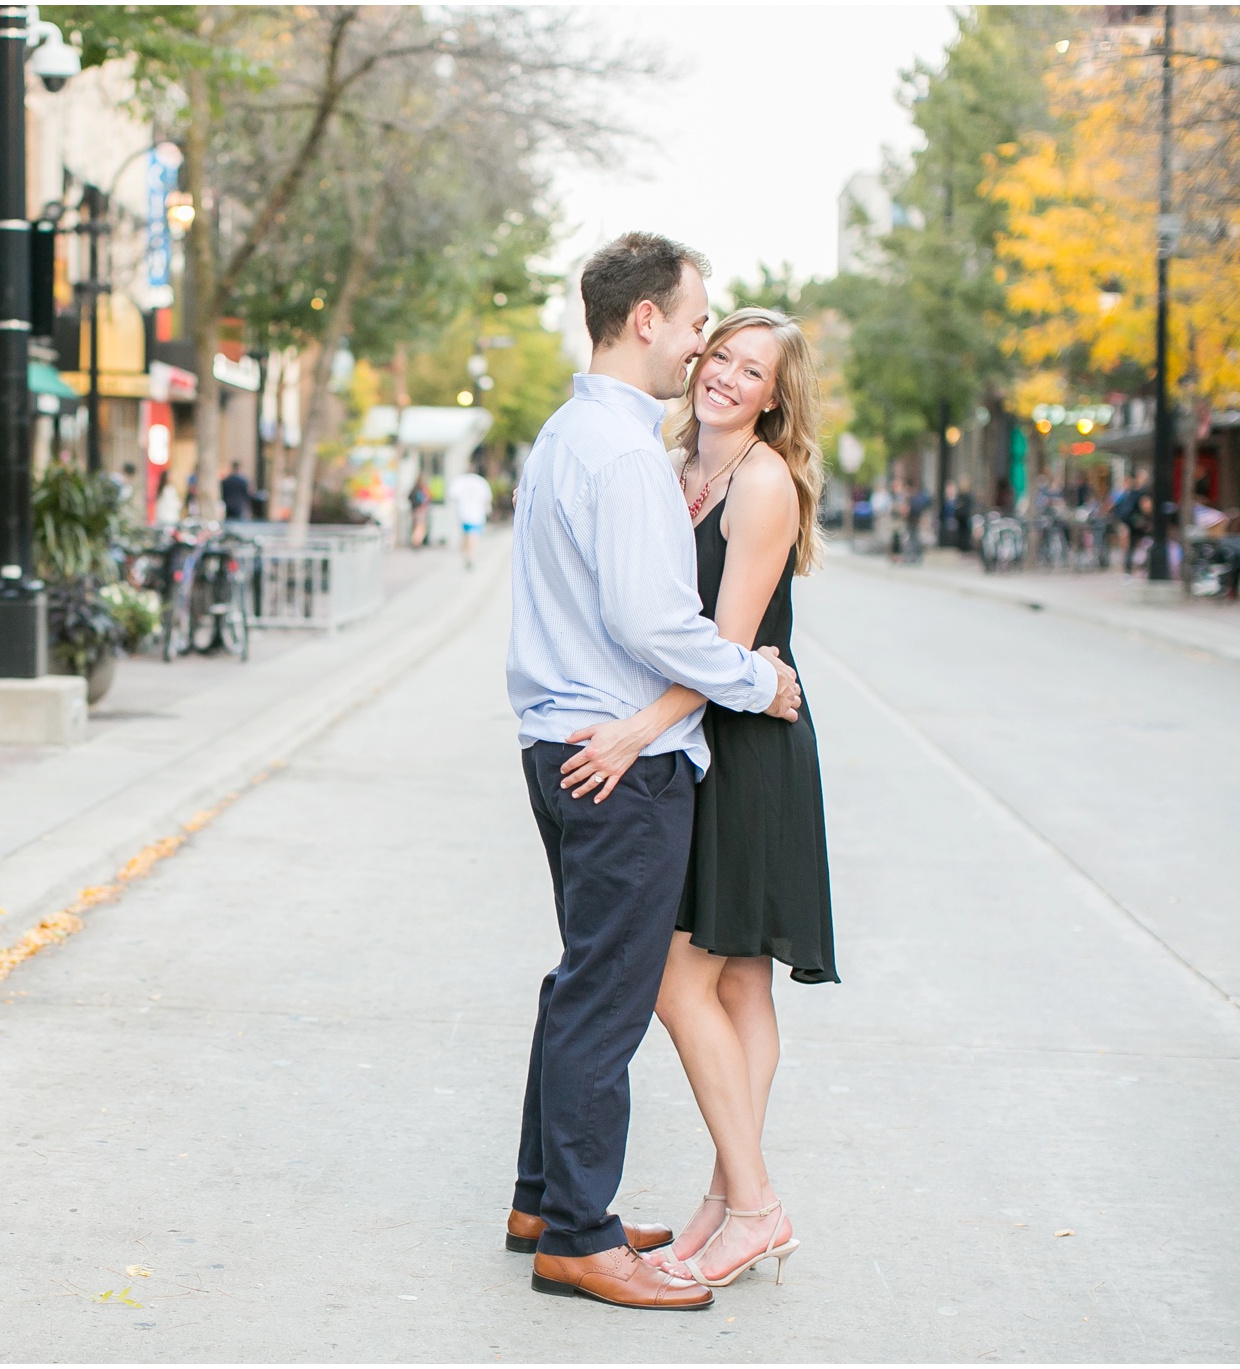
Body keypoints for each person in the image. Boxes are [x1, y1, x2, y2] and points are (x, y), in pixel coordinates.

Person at [504, 232, 802, 1312]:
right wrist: (750, 679)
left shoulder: (567, 431)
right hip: (612, 758)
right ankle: (577, 1236)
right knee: (608, 989)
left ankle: (543, 1198)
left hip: (561, 739)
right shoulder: (629, 455)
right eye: (692, 323)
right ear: (644, 321)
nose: (697, 348)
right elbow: (649, 619)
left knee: (582, 973)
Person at [556, 307, 835, 1294]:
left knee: (688, 976)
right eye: (719, 354)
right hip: (700, 727)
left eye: (750, 369)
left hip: (744, 744)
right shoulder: (674, 467)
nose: (724, 376)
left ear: (772, 394)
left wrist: (634, 729)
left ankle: (751, 1203)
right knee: (734, 982)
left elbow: (724, 650)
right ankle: (727, 1204)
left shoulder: (760, 484)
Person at [450, 464, 494, 569]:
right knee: (473, 535)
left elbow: (452, 495)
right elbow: (487, 498)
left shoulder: (459, 481)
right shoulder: (481, 482)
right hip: (477, 514)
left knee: (466, 535)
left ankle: (466, 554)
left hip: (463, 513)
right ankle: (470, 555)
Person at [407, 474, 432, 550]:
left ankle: (416, 542)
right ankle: (416, 542)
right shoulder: (421, 489)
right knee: (420, 527)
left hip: (417, 510)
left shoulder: (416, 488)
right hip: (420, 510)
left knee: (418, 526)